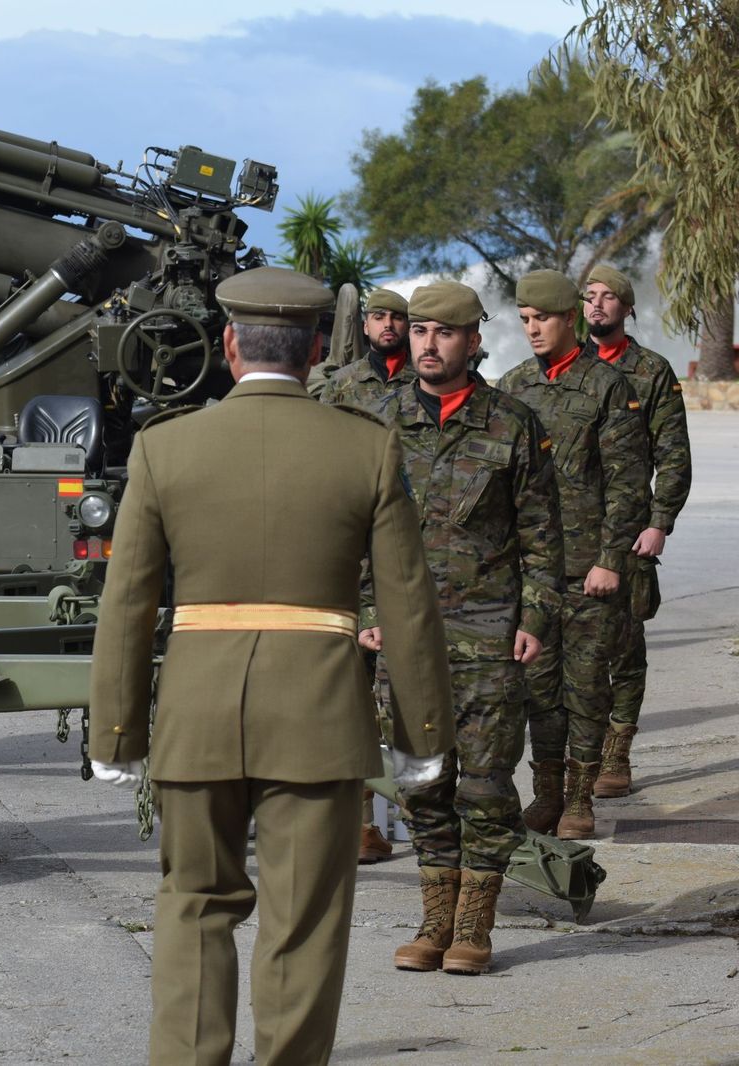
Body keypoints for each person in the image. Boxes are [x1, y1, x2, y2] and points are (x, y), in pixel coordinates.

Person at [88, 266, 454, 1066]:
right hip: (318, 718)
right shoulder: (367, 447)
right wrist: (422, 731)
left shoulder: (163, 448)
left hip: (197, 713)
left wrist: (116, 734)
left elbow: (128, 607)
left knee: (193, 907)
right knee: (303, 922)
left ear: (227, 344)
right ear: (318, 348)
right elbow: (406, 605)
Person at [361, 281, 563, 975]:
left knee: (484, 787)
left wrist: (536, 617)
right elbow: (355, 532)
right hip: (407, 639)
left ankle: (473, 931)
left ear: (474, 341)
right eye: (419, 331)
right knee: (420, 783)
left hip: (488, 637)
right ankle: (432, 922)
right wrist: (364, 613)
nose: (427, 343)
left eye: (444, 333)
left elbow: (542, 538)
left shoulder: (513, 424)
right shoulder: (378, 421)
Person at [497, 269, 650, 839]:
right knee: (539, 689)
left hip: (591, 569)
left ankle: (580, 801)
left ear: (570, 319)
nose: (533, 330)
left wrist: (612, 558)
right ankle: (547, 794)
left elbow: (628, 483)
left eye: (542, 319)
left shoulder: (607, 386)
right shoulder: (512, 387)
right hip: (533, 572)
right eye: (526, 321)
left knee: (586, 686)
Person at [580, 265, 693, 796]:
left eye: (609, 298)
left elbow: (673, 455)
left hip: (629, 531)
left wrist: (659, 522)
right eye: (590, 297)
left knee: (623, 647)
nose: (597, 305)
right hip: (568, 529)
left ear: (627, 308)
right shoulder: (566, 365)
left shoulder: (652, 371)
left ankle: (616, 755)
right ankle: (579, 755)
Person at [318, 284, 415, 863]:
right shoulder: (343, 384)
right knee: (350, 697)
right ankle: (361, 824)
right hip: (353, 555)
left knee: (405, 694)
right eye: (377, 317)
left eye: (395, 318)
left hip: (408, 552)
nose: (385, 326)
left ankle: (414, 811)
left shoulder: (426, 385)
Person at [321, 286, 415, 407]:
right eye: (379, 317)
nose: (388, 324)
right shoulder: (340, 381)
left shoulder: (426, 380)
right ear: (366, 327)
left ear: (408, 327)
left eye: (397, 318)